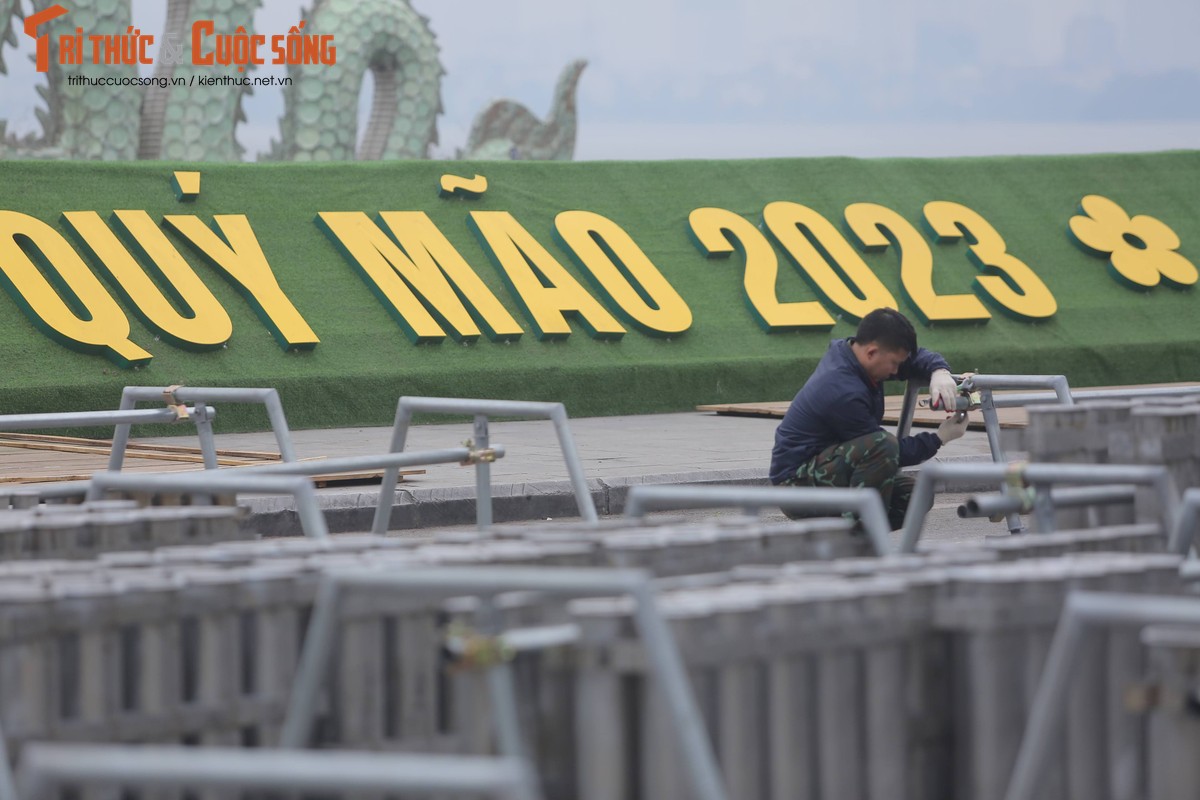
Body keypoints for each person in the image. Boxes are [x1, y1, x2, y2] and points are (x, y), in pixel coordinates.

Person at [769, 307, 969, 530]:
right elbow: (887, 453)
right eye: (894, 363)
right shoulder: (843, 391)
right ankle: (860, 544)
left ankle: (841, 539)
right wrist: (939, 438)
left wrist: (938, 371)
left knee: (916, 497)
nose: (896, 371)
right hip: (797, 486)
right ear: (872, 352)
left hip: (832, 469)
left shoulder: (856, 357)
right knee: (881, 445)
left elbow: (913, 358)